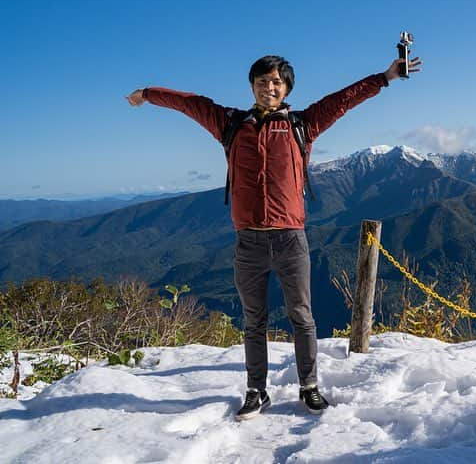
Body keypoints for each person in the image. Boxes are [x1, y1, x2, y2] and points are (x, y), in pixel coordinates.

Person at [126, 53, 423, 420]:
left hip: (290, 239)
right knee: (254, 321)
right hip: (248, 240)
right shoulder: (230, 124)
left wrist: (385, 77)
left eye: (277, 82)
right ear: (252, 85)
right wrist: (150, 93)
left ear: (286, 89)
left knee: (303, 317)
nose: (270, 87)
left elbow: (342, 101)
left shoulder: (303, 124)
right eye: (263, 81)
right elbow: (191, 105)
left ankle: (309, 387)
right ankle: (256, 392)